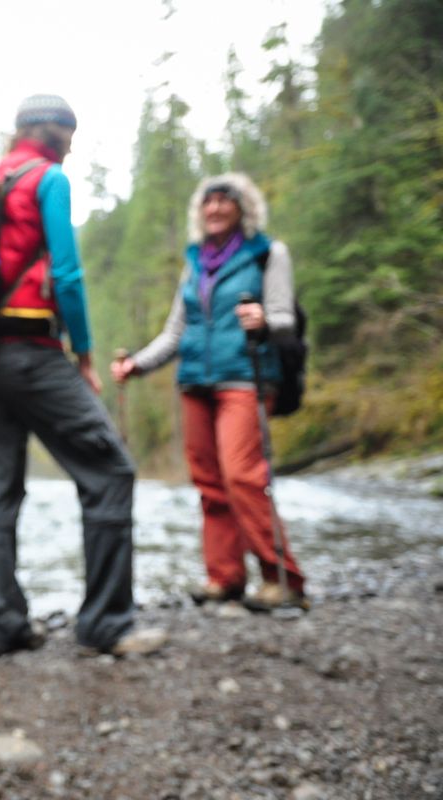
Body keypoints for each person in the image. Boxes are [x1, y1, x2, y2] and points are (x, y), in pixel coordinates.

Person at [0, 94, 166, 657]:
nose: (73, 144)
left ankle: (4, 624)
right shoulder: (47, 179)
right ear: (55, 134)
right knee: (111, 472)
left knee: (0, 491)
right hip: (32, 349)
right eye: (70, 134)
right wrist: (83, 353)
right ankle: (106, 623)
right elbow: (69, 275)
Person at [111, 173, 309, 612]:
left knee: (243, 476)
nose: (215, 208)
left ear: (243, 209)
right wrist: (137, 364)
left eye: (225, 201)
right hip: (195, 382)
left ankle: (284, 579)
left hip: (246, 377)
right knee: (209, 483)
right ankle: (225, 577)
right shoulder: (195, 262)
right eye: (208, 202)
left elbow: (284, 318)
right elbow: (176, 331)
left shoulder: (268, 254)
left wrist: (262, 318)